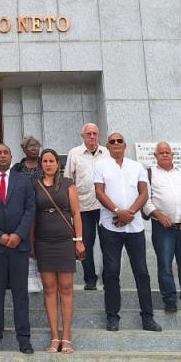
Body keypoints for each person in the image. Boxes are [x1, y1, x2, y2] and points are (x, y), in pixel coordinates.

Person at [94, 132, 161, 332]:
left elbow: (144, 193)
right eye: (112, 141)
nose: (116, 143)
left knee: (141, 272)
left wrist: (129, 213)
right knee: (111, 271)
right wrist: (117, 211)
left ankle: (148, 317)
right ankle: (112, 317)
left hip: (135, 226)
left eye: (119, 141)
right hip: (110, 226)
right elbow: (99, 192)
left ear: (125, 145)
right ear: (107, 146)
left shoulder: (136, 166)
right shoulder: (100, 166)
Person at [0, 143, 36, 354]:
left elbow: (30, 209)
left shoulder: (24, 181)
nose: (2, 156)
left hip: (19, 246)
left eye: (6, 153)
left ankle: (24, 339)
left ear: (11, 157)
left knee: (21, 295)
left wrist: (18, 235)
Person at [142, 142, 181, 313]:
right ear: (155, 156)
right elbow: (145, 198)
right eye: (161, 152)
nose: (164, 155)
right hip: (162, 227)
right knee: (165, 264)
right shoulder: (149, 174)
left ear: (172, 154)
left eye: (167, 152)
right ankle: (169, 300)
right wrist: (158, 215)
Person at [33, 149, 84, 353]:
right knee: (49, 288)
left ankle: (67, 337)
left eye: (51, 161)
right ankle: (54, 337)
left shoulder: (68, 184)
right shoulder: (35, 185)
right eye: (45, 161)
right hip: (43, 241)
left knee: (66, 288)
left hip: (64, 240)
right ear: (41, 164)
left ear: (57, 163)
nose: (48, 164)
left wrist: (79, 240)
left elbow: (76, 213)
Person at [65, 123, 105, 291]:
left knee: (108, 242)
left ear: (99, 135)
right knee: (85, 243)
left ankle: (108, 277)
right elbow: (68, 180)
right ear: (83, 136)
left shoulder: (107, 153)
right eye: (89, 134)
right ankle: (90, 279)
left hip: (104, 206)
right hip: (83, 206)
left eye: (95, 133)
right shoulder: (74, 153)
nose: (92, 136)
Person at [11, 135, 44, 294]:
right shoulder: (17, 168)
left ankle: (43, 276)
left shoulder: (45, 164)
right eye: (30, 146)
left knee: (41, 242)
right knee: (27, 243)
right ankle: (30, 277)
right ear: (24, 149)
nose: (34, 149)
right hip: (23, 212)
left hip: (43, 210)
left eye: (36, 146)